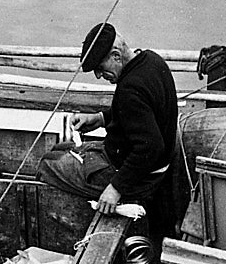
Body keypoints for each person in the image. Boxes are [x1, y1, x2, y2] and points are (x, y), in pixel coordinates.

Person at [70, 22, 181, 242]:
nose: (100, 76)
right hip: (159, 169)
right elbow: (143, 113)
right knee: (64, 151)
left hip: (135, 176)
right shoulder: (151, 60)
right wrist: (100, 119)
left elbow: (151, 147)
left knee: (49, 164)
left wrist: (115, 188)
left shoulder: (130, 88)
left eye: (100, 69)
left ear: (115, 55)